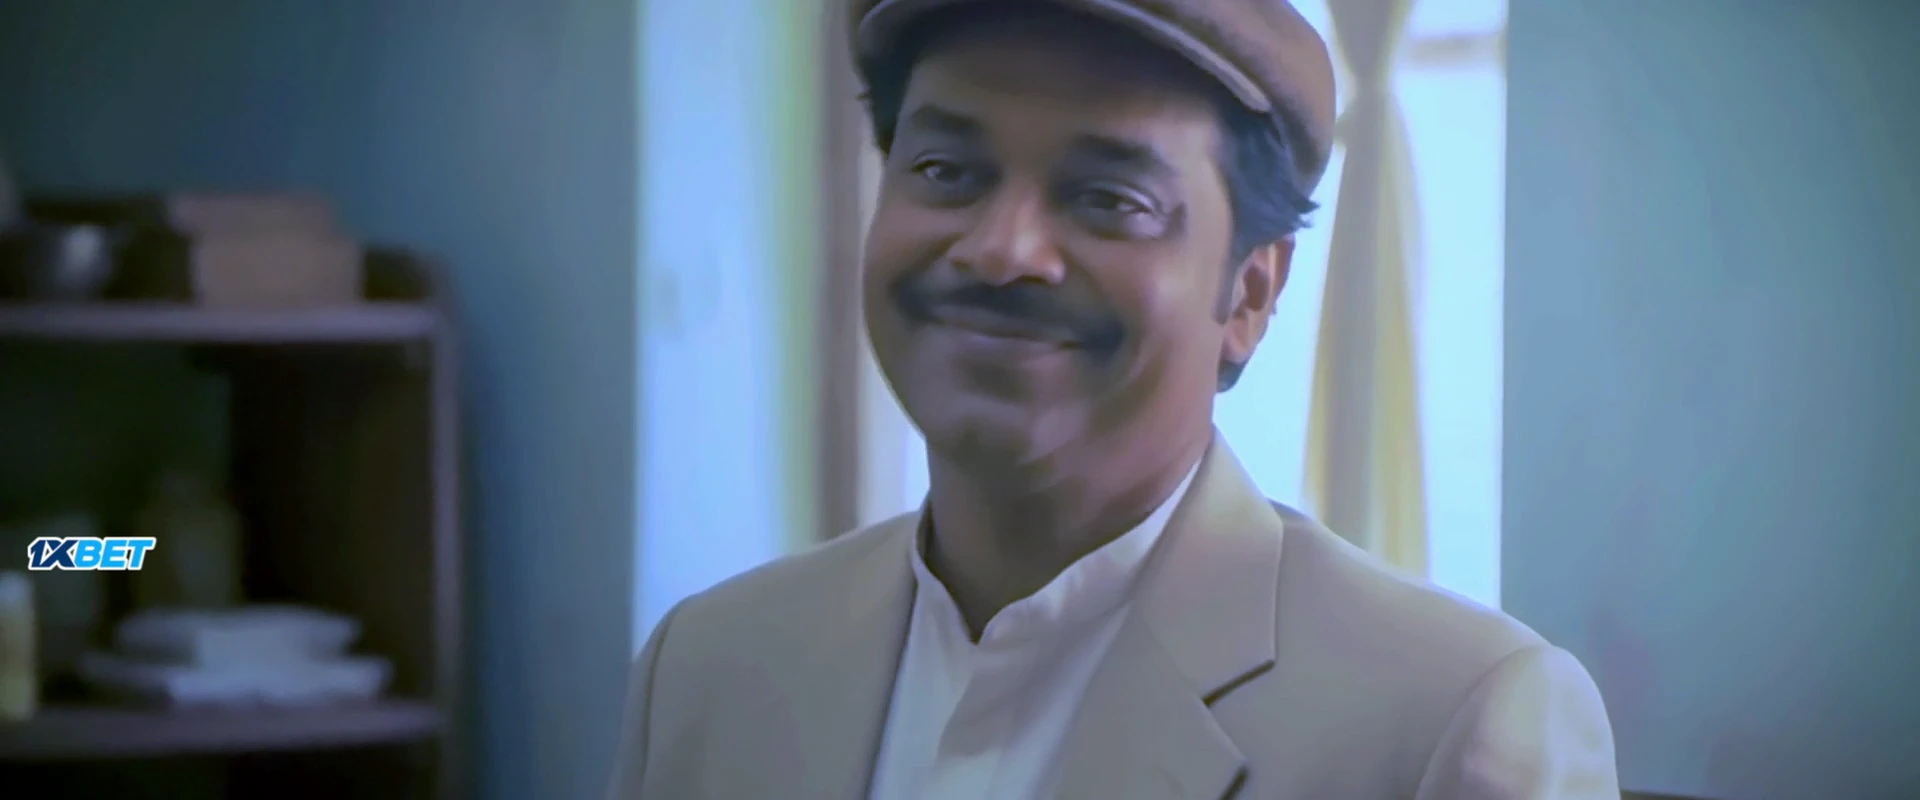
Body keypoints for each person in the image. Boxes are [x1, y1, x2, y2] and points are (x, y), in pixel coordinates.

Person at [607, 0, 1619, 797]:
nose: (1000, 249)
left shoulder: (1456, 720)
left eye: (1107, 198)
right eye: (945, 170)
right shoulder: (707, 669)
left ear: (1249, 293)